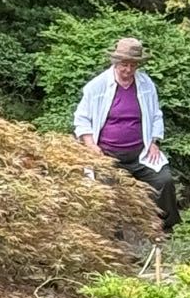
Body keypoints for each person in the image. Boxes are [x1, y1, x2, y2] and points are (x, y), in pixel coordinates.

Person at [73, 35, 179, 230]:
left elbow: (156, 115)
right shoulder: (97, 86)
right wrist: (90, 145)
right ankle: (114, 240)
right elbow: (81, 119)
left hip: (140, 153)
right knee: (106, 190)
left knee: (164, 180)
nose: (128, 70)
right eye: (124, 65)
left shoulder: (146, 84)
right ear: (115, 62)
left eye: (133, 65)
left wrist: (154, 142)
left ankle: (166, 228)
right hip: (106, 155)